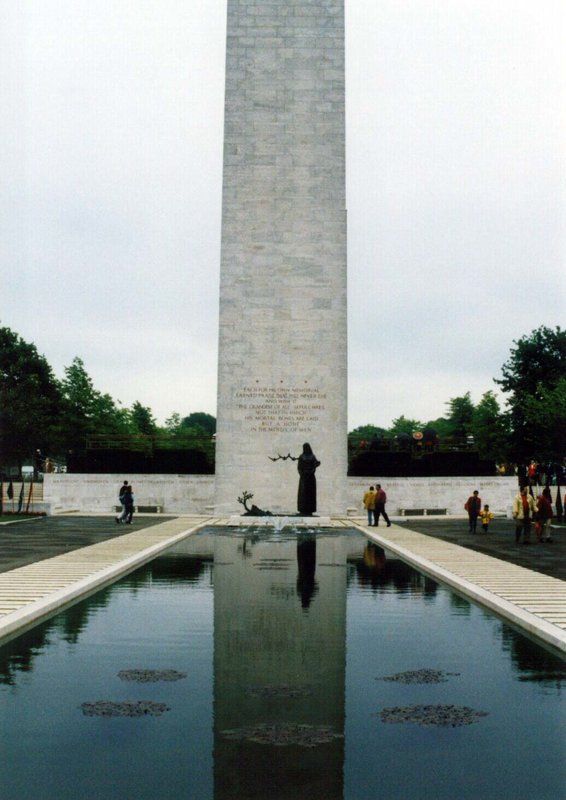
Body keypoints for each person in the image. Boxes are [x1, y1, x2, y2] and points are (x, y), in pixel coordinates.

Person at [297, 443, 320, 515]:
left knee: (310, 494)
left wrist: (312, 471)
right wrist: (302, 474)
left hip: (310, 478)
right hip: (304, 478)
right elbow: (299, 467)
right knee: (303, 494)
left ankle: (310, 510)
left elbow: (315, 465)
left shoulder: (312, 456)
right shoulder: (301, 456)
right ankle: (302, 509)